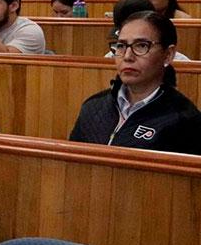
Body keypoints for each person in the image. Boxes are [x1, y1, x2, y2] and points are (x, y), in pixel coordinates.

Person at [69, 12, 201, 155]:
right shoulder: (93, 106)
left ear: (168, 55)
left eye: (142, 46)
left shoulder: (184, 120)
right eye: (121, 46)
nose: (127, 56)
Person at [105, 0, 191, 61]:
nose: (127, 56)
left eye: (141, 45)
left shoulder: (180, 62)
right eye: (121, 44)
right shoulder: (111, 57)